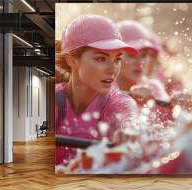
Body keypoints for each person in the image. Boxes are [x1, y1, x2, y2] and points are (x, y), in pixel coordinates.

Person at [55, 15, 139, 166]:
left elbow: (128, 118)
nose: (112, 69)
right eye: (101, 59)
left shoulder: (120, 102)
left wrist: (129, 131)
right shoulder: (54, 98)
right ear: (72, 60)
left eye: (117, 59)